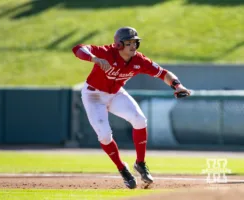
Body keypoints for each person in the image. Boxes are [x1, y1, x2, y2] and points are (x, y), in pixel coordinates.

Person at [72, 26, 191, 189]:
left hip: (115, 93)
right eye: (129, 43)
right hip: (93, 95)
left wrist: (178, 86)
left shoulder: (139, 60)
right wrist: (94, 58)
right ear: (119, 44)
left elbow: (163, 73)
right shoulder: (106, 52)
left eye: (135, 42)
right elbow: (78, 49)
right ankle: (122, 169)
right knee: (105, 136)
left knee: (140, 120)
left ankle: (140, 163)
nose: (133, 46)